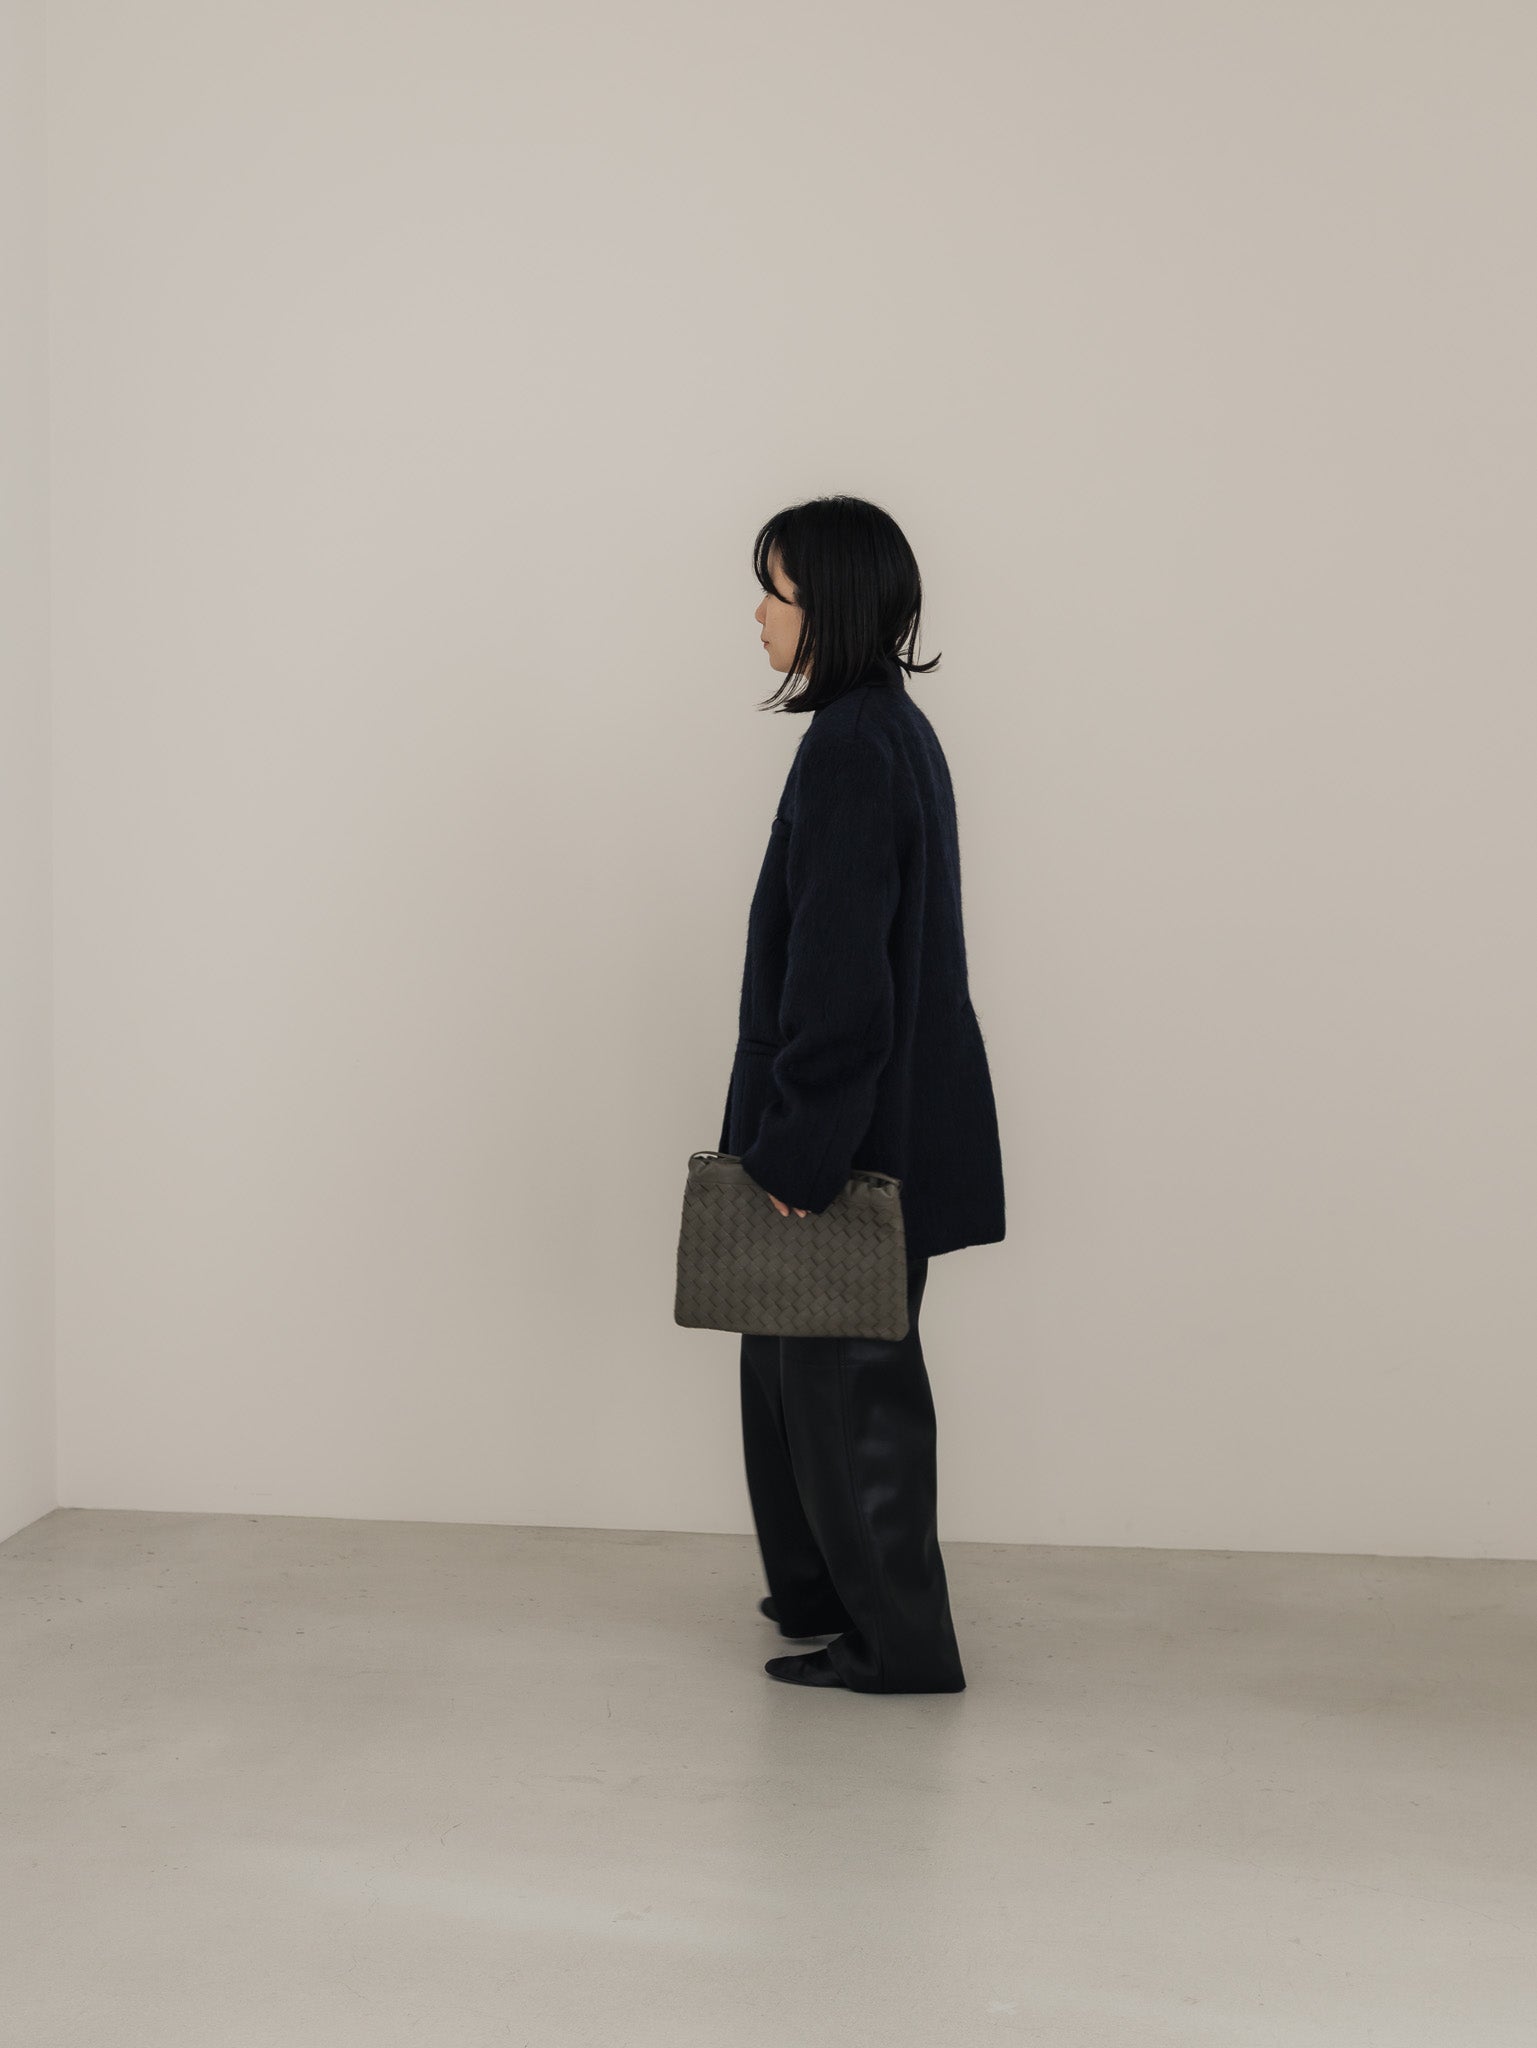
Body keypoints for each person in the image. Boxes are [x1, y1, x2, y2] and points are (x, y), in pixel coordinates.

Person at [719, 494, 1006, 1694]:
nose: (758, 614)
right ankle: (820, 1593)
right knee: (792, 1367)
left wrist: (803, 1149)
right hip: (874, 1121)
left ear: (826, 607)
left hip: (850, 1134)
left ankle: (898, 1642)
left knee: (847, 1384)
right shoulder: (885, 727)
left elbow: (844, 977)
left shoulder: (850, 746)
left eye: (775, 592)